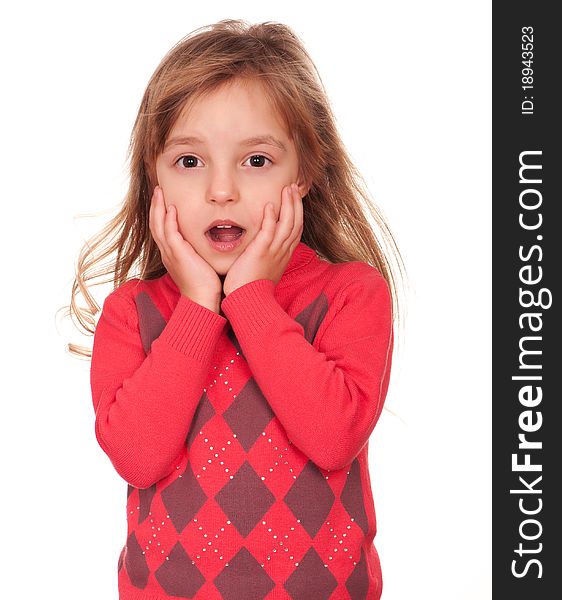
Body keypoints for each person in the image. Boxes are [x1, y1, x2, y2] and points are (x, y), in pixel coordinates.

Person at [69, 18, 406, 600]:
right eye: (189, 162)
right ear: (155, 176)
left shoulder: (352, 295)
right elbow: (137, 457)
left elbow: (333, 437)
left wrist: (250, 299)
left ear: (304, 171)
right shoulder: (133, 314)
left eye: (255, 161)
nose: (221, 191)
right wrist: (199, 306)